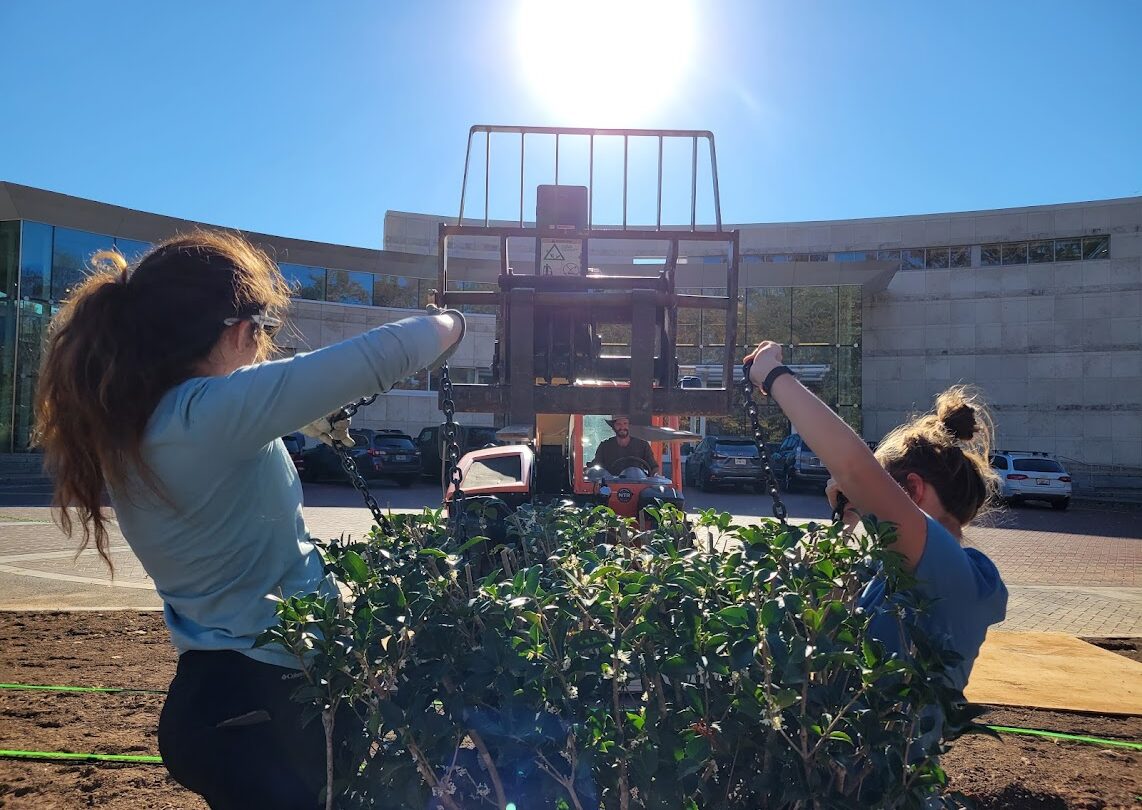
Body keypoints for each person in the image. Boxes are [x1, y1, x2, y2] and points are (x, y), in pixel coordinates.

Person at [34, 230, 465, 810]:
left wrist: (310, 419)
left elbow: (242, 420)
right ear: (241, 331)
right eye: (261, 334)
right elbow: (382, 353)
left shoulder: (138, 420)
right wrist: (454, 321)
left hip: (220, 704)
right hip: (267, 709)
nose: (262, 350)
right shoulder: (207, 416)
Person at [745, 341, 1007, 741]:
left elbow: (852, 466)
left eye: (879, 494)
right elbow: (820, 624)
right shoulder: (893, 572)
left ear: (912, 490)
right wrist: (845, 526)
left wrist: (774, 376)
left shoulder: (956, 573)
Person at [590, 415, 658, 475]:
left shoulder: (643, 445)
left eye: (625, 423)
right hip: (611, 486)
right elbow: (596, 466)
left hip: (638, 485)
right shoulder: (604, 446)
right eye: (618, 424)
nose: (622, 427)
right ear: (613, 427)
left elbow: (653, 467)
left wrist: (654, 475)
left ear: (630, 425)